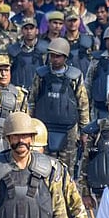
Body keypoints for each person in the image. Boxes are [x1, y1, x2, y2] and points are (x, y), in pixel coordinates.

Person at [28, 38, 90, 168]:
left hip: (69, 130)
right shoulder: (41, 75)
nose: (55, 59)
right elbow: (32, 101)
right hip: (44, 128)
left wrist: (84, 132)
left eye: (58, 56)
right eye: (52, 56)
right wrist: (30, 125)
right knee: (42, 166)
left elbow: (82, 105)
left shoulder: (75, 76)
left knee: (67, 167)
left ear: (65, 57)